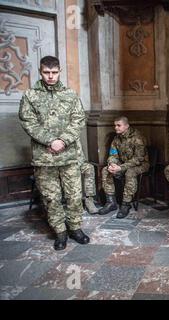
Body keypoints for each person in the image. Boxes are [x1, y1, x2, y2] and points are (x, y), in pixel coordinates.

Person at [18, 55, 89, 250]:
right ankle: (60, 232)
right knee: (51, 198)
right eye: (46, 73)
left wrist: (63, 141)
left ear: (59, 72)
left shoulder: (70, 95)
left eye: (54, 73)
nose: (50, 76)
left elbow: (78, 120)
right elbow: (28, 122)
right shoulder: (30, 96)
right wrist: (50, 141)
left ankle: (75, 228)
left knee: (74, 196)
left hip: (70, 157)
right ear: (40, 72)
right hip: (44, 158)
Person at [98, 116, 149, 218]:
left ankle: (126, 204)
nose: (116, 128)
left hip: (141, 164)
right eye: (115, 125)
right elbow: (113, 154)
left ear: (127, 126)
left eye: (118, 125)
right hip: (123, 164)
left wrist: (121, 168)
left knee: (130, 172)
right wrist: (112, 164)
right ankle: (111, 202)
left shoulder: (137, 138)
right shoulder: (117, 139)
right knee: (105, 170)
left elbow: (138, 159)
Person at [76, 139, 98, 214]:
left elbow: (80, 156)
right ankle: (76, 203)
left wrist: (79, 164)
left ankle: (89, 200)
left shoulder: (73, 135)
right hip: (64, 164)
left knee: (89, 167)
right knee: (72, 172)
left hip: (77, 163)